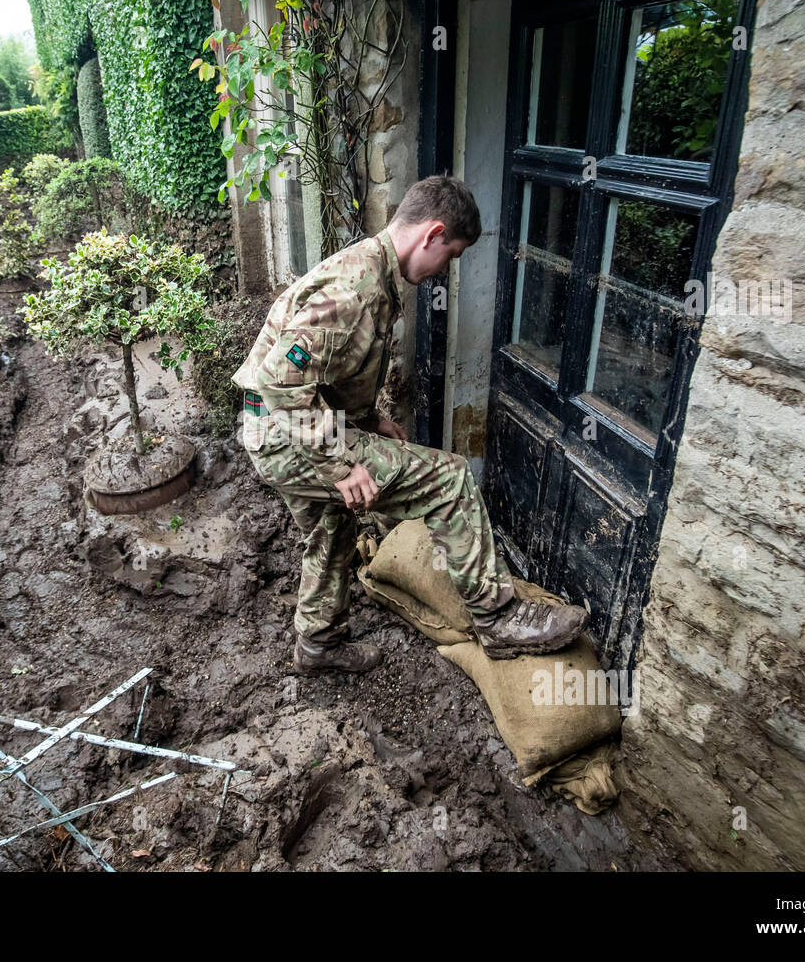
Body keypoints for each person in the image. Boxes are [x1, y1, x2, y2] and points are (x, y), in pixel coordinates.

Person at [233, 175, 589, 674]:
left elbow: (328, 372)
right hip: (281, 435)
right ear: (433, 233)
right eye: (452, 255)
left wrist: (369, 421)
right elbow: (279, 382)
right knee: (450, 478)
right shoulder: (354, 292)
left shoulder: (373, 271)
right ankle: (499, 618)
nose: (446, 269)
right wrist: (340, 465)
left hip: (274, 430)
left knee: (334, 526)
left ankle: (318, 646)